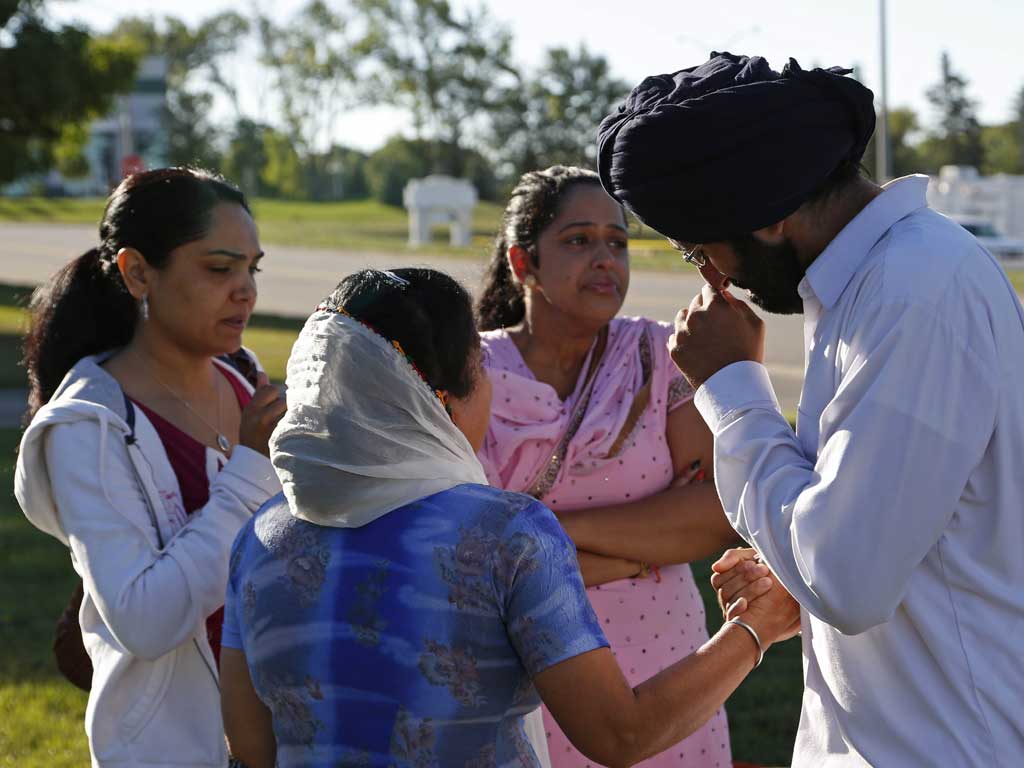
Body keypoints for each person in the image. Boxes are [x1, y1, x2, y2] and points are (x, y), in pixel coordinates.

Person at [598, 51, 1024, 766]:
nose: (709, 275)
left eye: (697, 249)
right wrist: (792, 565)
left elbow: (848, 580)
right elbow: (881, 536)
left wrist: (732, 387)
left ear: (766, 219)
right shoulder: (875, 283)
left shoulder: (911, 293)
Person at [219, 267, 799, 768]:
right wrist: (754, 629)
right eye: (482, 369)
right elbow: (621, 734)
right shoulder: (504, 535)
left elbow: (248, 747)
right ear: (438, 402)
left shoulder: (261, 537)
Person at [15, 167, 286, 768]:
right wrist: (249, 469)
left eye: (251, 268)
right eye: (220, 269)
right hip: (172, 748)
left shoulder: (246, 383)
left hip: (282, 739)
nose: (245, 290)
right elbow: (144, 618)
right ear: (138, 272)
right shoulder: (86, 425)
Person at [476, 165, 739, 767]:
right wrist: (644, 546)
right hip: (520, 675)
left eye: (617, 243)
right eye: (578, 240)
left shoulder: (658, 355)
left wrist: (543, 532)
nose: (604, 258)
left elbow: (717, 512)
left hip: (664, 668)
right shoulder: (472, 373)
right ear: (524, 263)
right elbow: (471, 552)